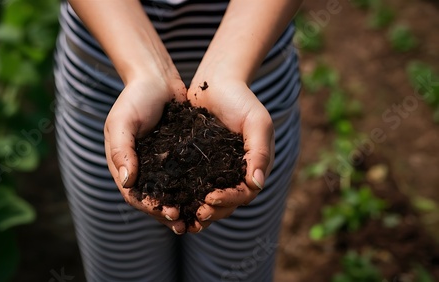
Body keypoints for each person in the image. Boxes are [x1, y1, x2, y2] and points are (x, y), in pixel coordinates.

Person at [54, 0, 303, 281]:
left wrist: (229, 67)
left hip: (252, 88)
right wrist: (144, 68)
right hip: (106, 91)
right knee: (126, 272)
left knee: (233, 273)